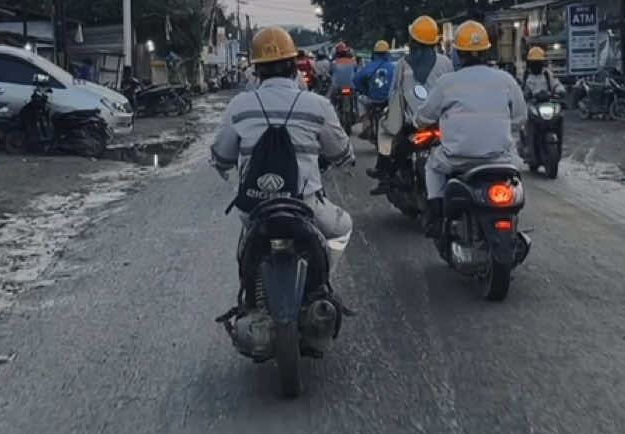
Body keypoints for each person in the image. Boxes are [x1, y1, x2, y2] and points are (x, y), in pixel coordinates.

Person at [211, 26, 355, 272]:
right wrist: (344, 161)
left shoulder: (239, 106)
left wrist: (225, 166)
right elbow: (341, 152)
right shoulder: (317, 105)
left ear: (256, 70)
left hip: (255, 209)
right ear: (294, 66)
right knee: (343, 227)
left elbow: (222, 156)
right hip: (306, 206)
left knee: (246, 245)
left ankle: (249, 293)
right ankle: (324, 281)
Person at [415, 20, 526, 235]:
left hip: (457, 159)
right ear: (486, 51)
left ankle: (436, 219)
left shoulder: (447, 83)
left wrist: (418, 123)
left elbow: (424, 117)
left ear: (458, 53)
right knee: (515, 176)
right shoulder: (506, 80)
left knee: (431, 167)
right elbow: (520, 117)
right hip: (500, 159)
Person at [368, 16, 452, 193]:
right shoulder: (445, 62)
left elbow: (394, 93)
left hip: (411, 124)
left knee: (385, 131)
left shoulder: (403, 64)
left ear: (413, 41)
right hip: (442, 123)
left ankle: (385, 173)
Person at [520, 45, 563, 163]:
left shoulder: (547, 74)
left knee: (559, 118)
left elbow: (556, 84)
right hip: (532, 105)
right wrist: (524, 94)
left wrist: (560, 90)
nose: (536, 65)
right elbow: (521, 89)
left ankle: (559, 146)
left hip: (547, 105)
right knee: (527, 122)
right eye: (534, 63)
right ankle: (528, 148)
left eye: (538, 62)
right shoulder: (525, 76)